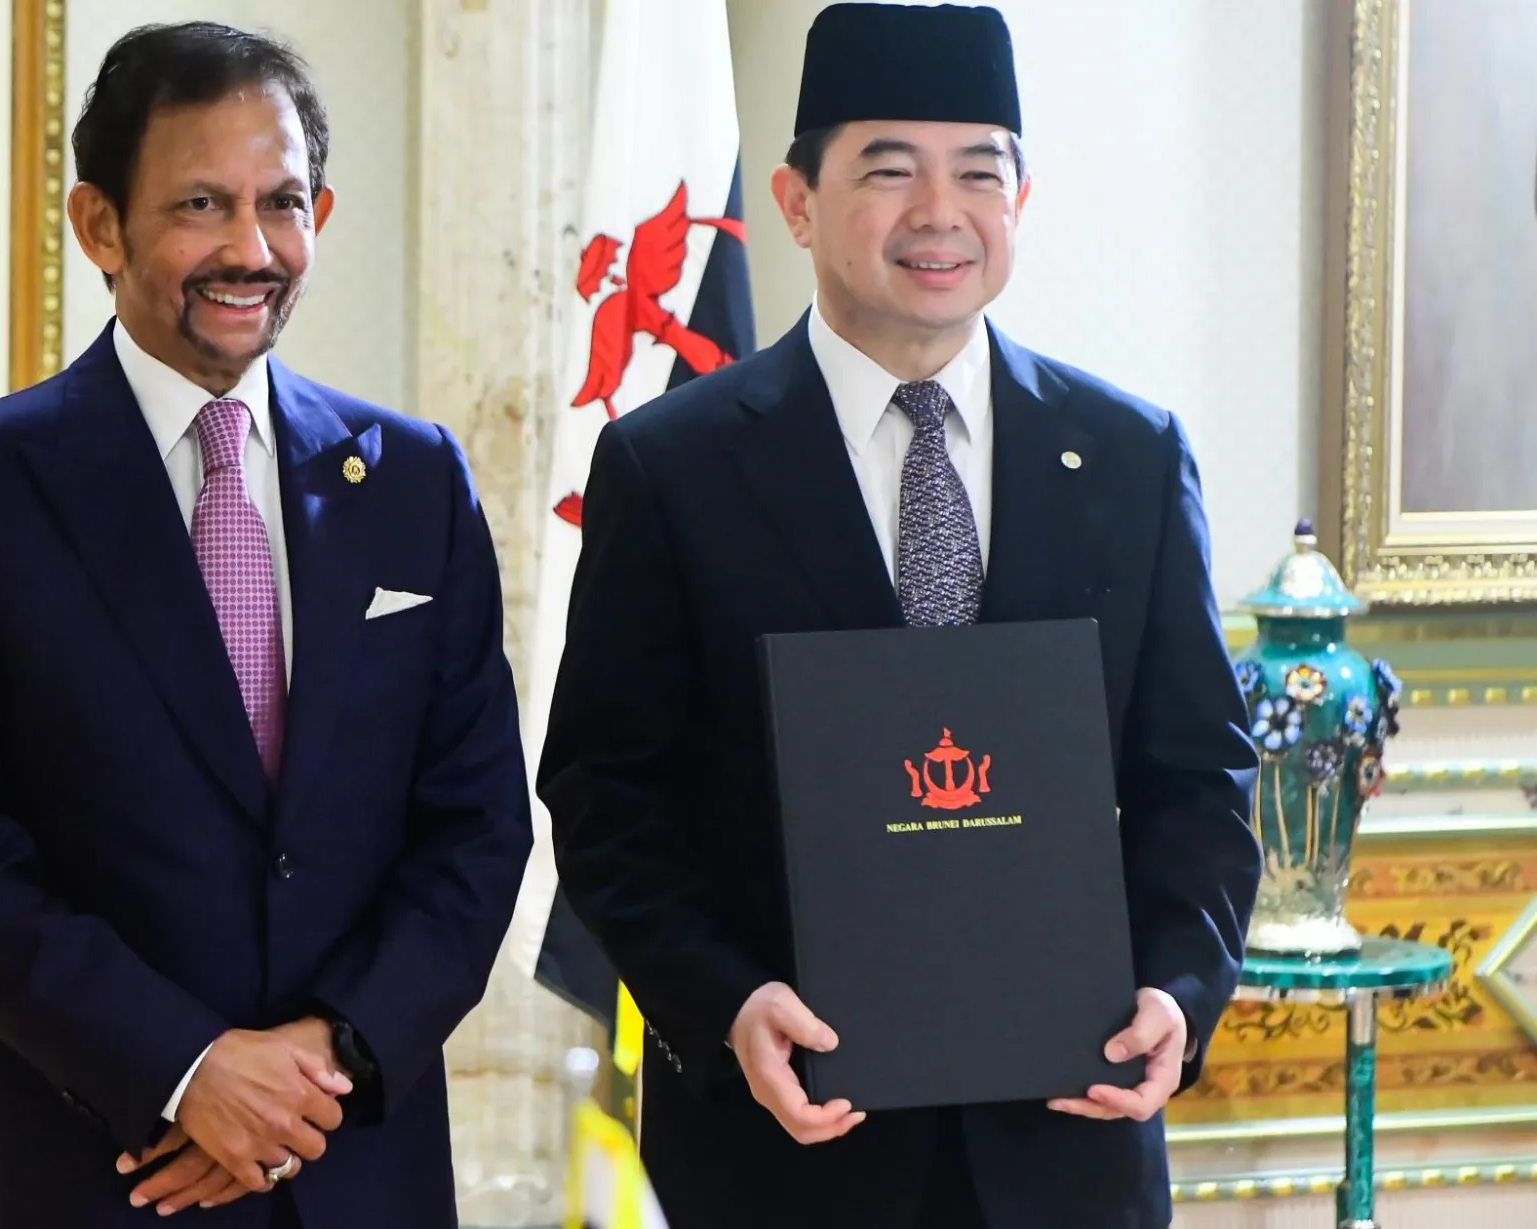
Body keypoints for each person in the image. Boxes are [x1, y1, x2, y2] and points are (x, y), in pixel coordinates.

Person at [538, 5, 1260, 1228]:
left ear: (1018, 201)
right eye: (889, 169)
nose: (940, 213)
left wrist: (1179, 989)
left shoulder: (1129, 456)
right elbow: (607, 796)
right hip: (781, 1147)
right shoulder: (674, 468)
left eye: (978, 171)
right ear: (794, 199)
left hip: (1066, 1147)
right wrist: (725, 1003)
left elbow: (1198, 773)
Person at [0, 22, 531, 1229]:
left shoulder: (419, 480)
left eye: (281, 203)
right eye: (199, 205)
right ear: (99, 225)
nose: (249, 248)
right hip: (98, 1169)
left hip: (357, 1166)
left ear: (319, 213)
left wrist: (315, 1075)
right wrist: (185, 1068)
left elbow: (476, 827)